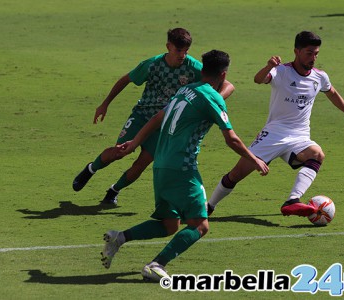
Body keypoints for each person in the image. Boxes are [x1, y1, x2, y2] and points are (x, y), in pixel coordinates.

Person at [99, 50, 269, 281]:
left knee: (170, 224)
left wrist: (135, 142)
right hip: (182, 168)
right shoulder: (212, 97)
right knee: (200, 225)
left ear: (202, 70)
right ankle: (156, 264)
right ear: (223, 74)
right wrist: (254, 159)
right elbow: (232, 139)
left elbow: (158, 116)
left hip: (161, 165)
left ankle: (119, 238)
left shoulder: (184, 90)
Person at [207, 31, 344, 218]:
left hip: (299, 136)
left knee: (317, 154)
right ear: (296, 51)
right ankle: (209, 206)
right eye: (309, 53)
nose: (313, 58)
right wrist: (268, 67)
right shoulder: (281, 71)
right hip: (273, 134)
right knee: (236, 175)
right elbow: (258, 79)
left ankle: (293, 200)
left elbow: (332, 94)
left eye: (316, 53)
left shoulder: (320, 77)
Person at [72, 28, 235, 205]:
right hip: (142, 115)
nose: (182, 55)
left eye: (186, 51)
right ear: (168, 46)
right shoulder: (152, 64)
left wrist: (212, 98)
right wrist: (105, 104)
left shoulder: (194, 67)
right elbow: (126, 79)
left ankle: (114, 190)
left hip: (165, 124)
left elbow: (228, 85)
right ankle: (91, 168)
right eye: (178, 50)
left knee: (141, 164)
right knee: (120, 151)